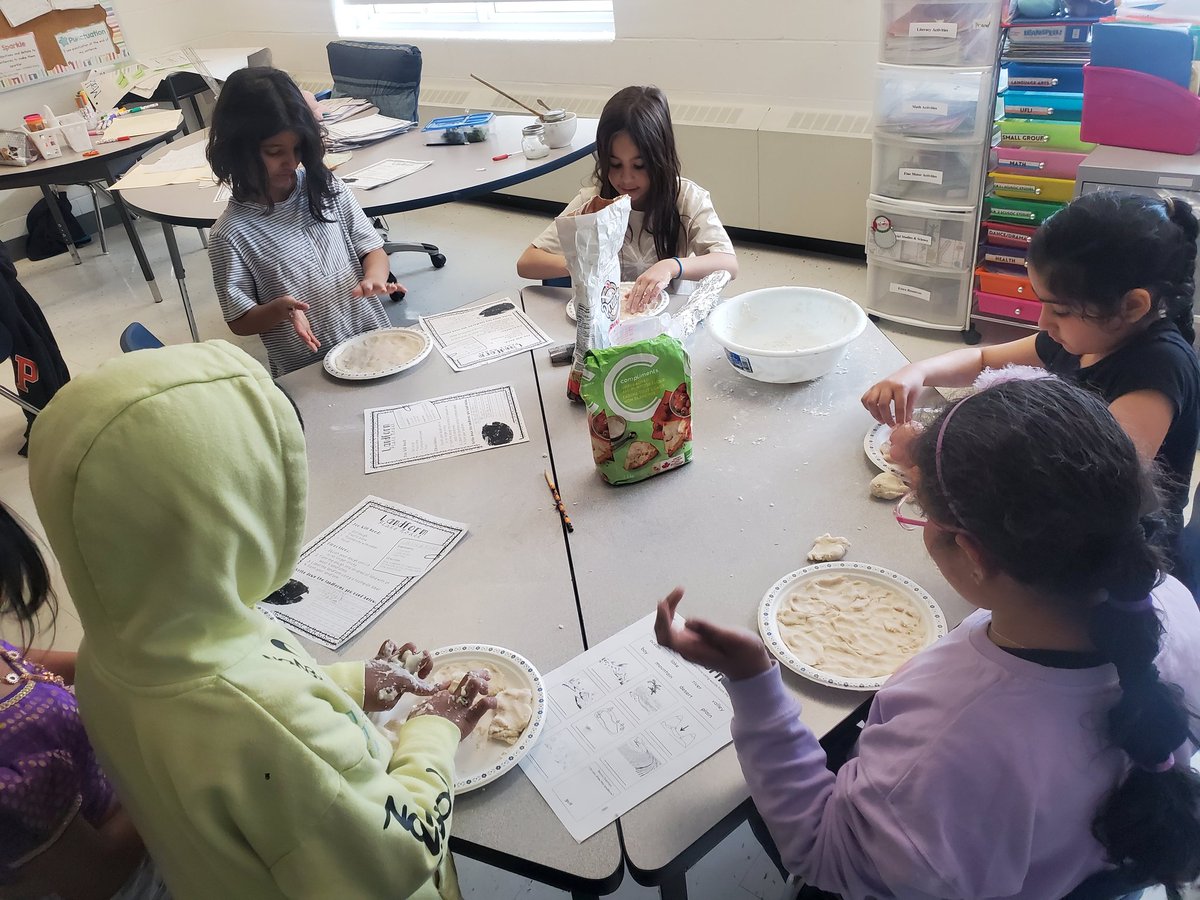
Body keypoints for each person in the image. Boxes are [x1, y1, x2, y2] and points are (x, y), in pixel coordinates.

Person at [657, 375, 1200, 898]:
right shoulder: (1172, 603)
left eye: (917, 508)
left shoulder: (951, 747)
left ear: (974, 553)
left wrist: (754, 685)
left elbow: (823, 850)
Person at [27, 340, 496, 899]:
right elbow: (401, 852)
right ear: (236, 508)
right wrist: (434, 727)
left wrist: (351, 684)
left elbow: (255, 700)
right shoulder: (268, 725)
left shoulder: (108, 659)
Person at [862, 192, 1200, 562]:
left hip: (1122, 554)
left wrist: (931, 457)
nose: (1042, 323)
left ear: (1132, 306)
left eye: (1059, 309)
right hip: (1060, 504)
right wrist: (916, 372)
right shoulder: (1089, 335)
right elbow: (983, 358)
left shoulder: (1157, 371)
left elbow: (1095, 490)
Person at [0, 502, 167, 899]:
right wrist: (163, 775)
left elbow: (12, 660)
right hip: (129, 877)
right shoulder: (14, 758)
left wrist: (97, 663)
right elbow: (97, 877)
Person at [207, 67, 400, 377]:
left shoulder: (326, 187)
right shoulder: (229, 235)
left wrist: (374, 277)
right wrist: (280, 310)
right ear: (237, 150)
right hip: (307, 368)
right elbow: (238, 320)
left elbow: (372, 249)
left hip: (372, 341)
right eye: (274, 152)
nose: (291, 161)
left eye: (298, 148)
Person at [515, 85, 738, 312]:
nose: (626, 178)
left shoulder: (687, 199)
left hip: (665, 321)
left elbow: (728, 264)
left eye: (640, 165)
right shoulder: (593, 202)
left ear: (661, 159)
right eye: (615, 164)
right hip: (607, 320)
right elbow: (527, 263)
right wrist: (580, 264)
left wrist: (671, 266)